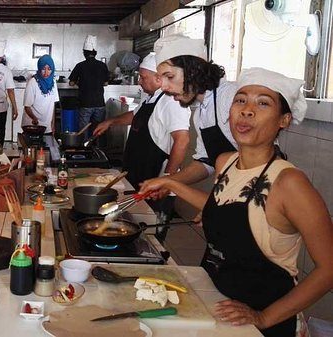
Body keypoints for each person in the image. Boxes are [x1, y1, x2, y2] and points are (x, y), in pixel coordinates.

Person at [140, 68, 333, 337]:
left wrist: (264, 318)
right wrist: (171, 183)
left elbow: (328, 269)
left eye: (263, 103)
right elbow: (224, 205)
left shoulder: (290, 183)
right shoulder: (226, 162)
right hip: (216, 302)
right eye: (240, 100)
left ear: (284, 120)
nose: (247, 110)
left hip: (265, 320)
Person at [93, 53, 190, 231]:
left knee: (149, 232)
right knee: (131, 226)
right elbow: (134, 116)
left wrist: (168, 180)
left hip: (156, 181)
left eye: (143, 77)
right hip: (138, 175)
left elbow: (182, 140)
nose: (139, 81)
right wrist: (110, 122)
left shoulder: (171, 101)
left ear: (158, 78)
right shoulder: (151, 97)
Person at [140, 35, 239, 198]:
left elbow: (258, 159)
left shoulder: (230, 97)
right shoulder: (200, 113)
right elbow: (206, 163)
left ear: (193, 70)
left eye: (169, 76)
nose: (163, 86)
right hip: (233, 193)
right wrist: (167, 182)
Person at [69, 35, 110, 138]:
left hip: (85, 103)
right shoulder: (102, 65)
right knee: (99, 129)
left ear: (84, 53)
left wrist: (81, 83)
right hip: (99, 103)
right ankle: (98, 150)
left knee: (83, 130)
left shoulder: (80, 65)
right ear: (95, 53)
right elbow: (105, 83)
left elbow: (71, 83)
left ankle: (84, 150)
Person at [22, 55, 59, 135]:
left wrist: (53, 123)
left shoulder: (53, 83)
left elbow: (53, 105)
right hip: (32, 125)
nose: (46, 72)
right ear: (39, 68)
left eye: (49, 69)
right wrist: (34, 118)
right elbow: (27, 106)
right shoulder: (33, 82)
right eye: (43, 69)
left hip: (46, 126)